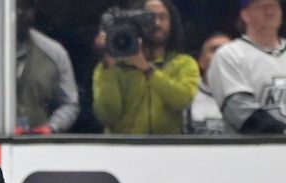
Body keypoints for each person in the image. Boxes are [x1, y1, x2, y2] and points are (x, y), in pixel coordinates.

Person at [0, 0, 80, 135]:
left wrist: (52, 126)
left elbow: (69, 103)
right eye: (14, 8)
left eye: (25, 8)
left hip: (38, 144)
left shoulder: (54, 53)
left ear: (34, 11)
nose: (18, 14)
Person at [92, 0, 199, 134]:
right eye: (150, 17)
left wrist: (147, 69)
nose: (157, 23)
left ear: (172, 23)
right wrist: (108, 68)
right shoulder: (114, 66)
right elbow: (107, 117)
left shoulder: (184, 63)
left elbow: (183, 100)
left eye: (163, 17)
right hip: (121, 149)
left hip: (167, 148)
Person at [207, 0, 286, 133]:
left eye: (274, 6)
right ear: (245, 15)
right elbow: (241, 111)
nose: (270, 11)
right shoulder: (229, 55)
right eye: (262, 7)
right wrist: (280, 134)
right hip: (252, 148)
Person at [184, 32, 232, 134]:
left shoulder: (249, 97)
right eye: (214, 50)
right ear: (201, 61)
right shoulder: (186, 97)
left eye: (228, 51)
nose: (221, 55)